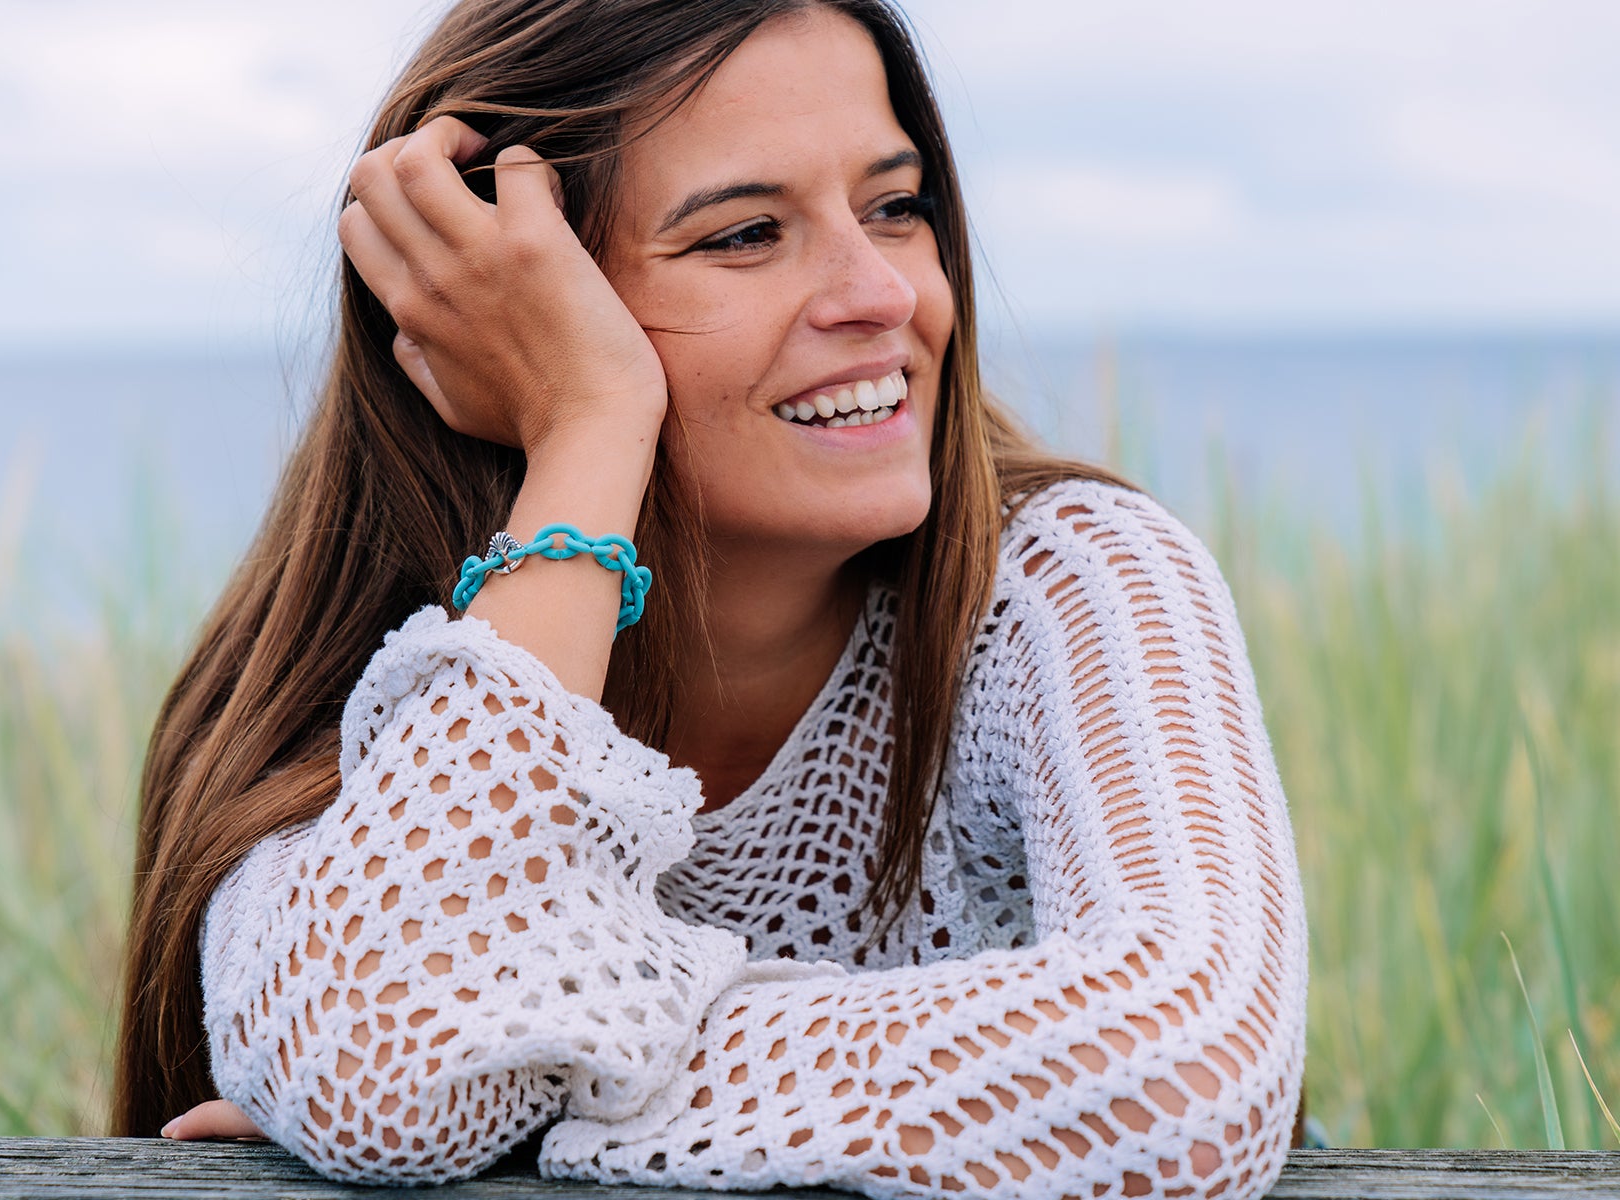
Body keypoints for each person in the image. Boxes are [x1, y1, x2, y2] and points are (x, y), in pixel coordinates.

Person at [113, 1, 1308, 1195]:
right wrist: (587, 427)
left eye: (896, 208)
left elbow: (1185, 1088)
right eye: (746, 234)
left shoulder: (1072, 580)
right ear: (507, 305)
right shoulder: (363, 684)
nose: (879, 294)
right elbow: (387, 1058)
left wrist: (530, 1095)